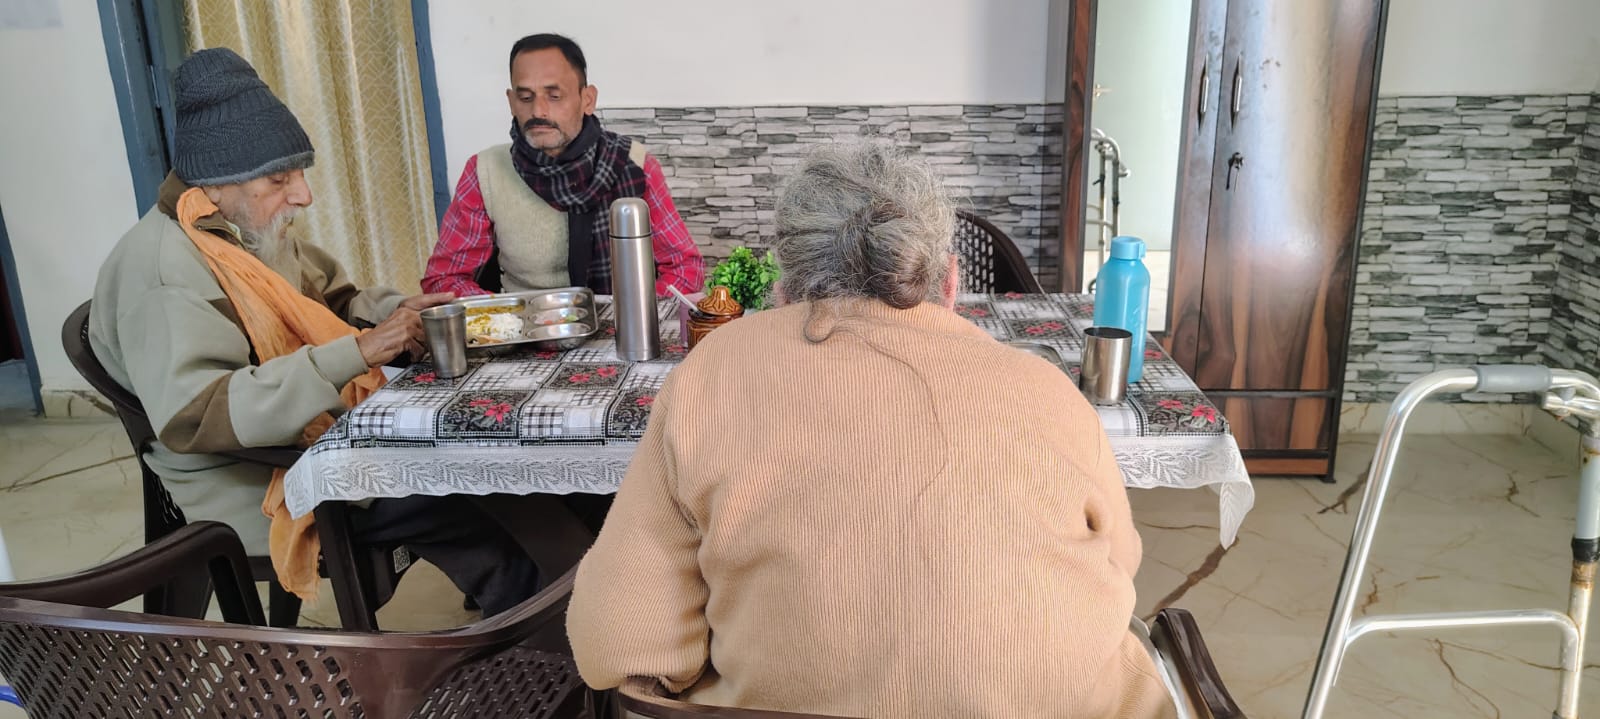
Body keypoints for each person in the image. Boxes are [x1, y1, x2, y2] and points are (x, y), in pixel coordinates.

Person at [566, 143, 1174, 718]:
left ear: (784, 285)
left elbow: (618, 645)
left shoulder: (712, 372)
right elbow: (1122, 562)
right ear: (950, 281)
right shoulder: (1042, 387)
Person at [89, 47, 539, 614]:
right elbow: (197, 415)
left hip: (302, 436)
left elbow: (333, 300)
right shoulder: (163, 274)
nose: (302, 194)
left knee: (484, 465)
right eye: (280, 179)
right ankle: (529, 653)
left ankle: (519, 618)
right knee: (459, 495)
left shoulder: (236, 232)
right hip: (250, 479)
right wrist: (355, 352)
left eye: (298, 175)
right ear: (217, 184)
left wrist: (401, 311)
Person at [421, 33, 704, 298]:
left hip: (622, 335)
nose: (538, 111)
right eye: (525, 97)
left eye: (554, 96)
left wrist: (633, 314)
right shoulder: (485, 172)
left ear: (587, 99)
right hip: (524, 337)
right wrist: (513, 318)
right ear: (511, 102)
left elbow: (685, 269)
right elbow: (443, 281)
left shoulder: (633, 165)